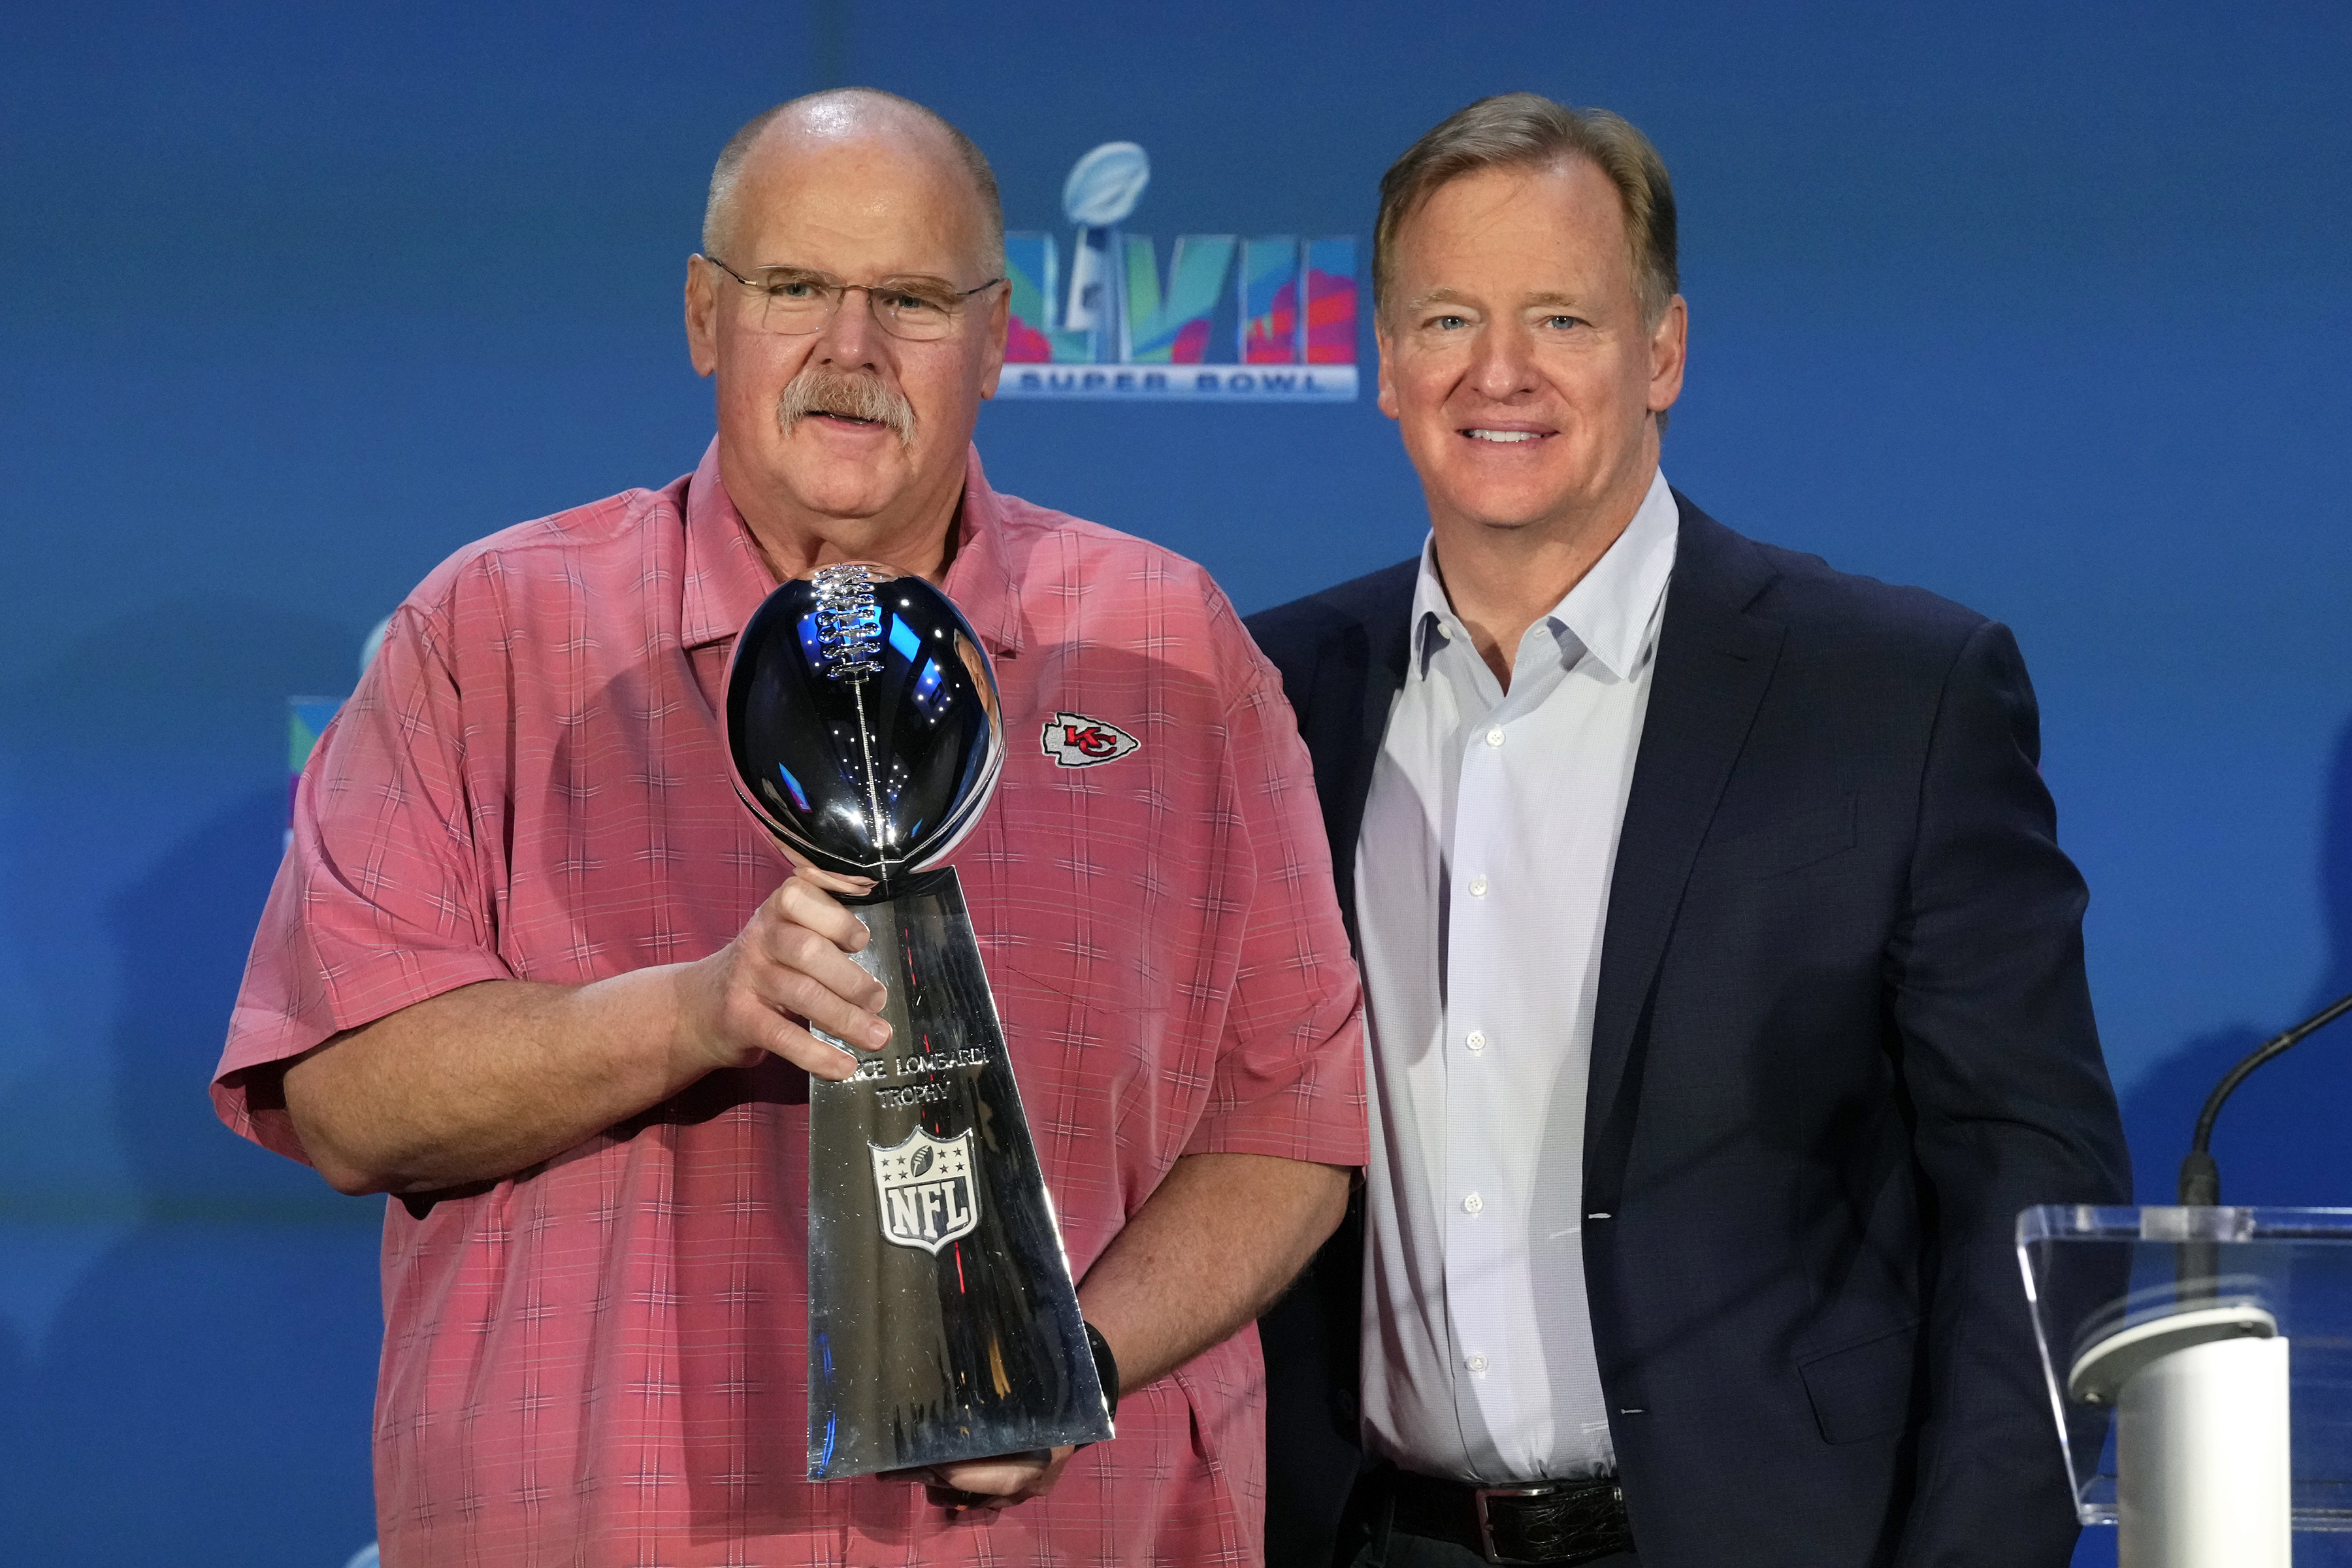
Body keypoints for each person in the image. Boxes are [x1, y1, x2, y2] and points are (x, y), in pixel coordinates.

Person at [214, 88, 1365, 1567]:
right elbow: (348, 1097)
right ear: (706, 315)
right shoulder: (491, 631)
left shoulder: (1175, 650)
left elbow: (1294, 1119)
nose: (851, 349)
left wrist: (1068, 1359)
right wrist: (698, 1011)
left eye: (910, 299)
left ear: (1004, 337)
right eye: (798, 288)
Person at [1247, 93, 2129, 1568]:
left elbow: (2030, 1194)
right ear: (1385, 362)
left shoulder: (1897, 693)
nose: (1500, 372)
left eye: (1563, 321)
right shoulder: (1266, 693)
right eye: (1449, 317)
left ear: (1663, 351)